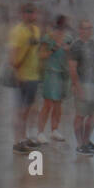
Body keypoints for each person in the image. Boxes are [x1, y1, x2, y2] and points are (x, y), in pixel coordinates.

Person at [9, 3, 43, 154]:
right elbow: (13, 56)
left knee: (30, 109)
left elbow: (37, 52)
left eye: (33, 13)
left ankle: (24, 138)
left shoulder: (36, 30)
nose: (31, 15)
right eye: (28, 12)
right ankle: (18, 141)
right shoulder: (18, 31)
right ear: (22, 14)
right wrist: (17, 75)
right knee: (22, 110)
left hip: (34, 75)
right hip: (23, 77)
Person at [34, 15, 71, 144]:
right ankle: (40, 132)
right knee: (48, 104)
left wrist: (68, 51)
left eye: (63, 27)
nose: (61, 30)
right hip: (51, 73)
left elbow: (70, 56)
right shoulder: (48, 38)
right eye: (59, 27)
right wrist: (53, 49)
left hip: (63, 74)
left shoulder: (68, 38)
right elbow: (41, 55)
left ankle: (54, 129)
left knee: (58, 104)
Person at [69, 19, 94, 156]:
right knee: (80, 115)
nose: (89, 31)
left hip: (92, 83)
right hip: (82, 83)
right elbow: (72, 68)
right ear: (80, 30)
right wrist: (78, 88)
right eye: (86, 28)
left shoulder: (92, 44)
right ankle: (79, 144)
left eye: (90, 28)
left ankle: (86, 140)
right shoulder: (75, 46)